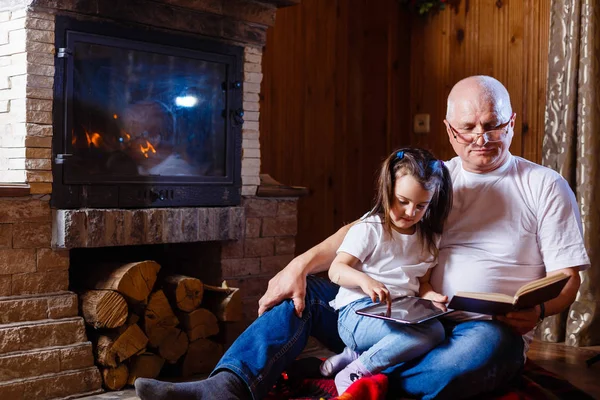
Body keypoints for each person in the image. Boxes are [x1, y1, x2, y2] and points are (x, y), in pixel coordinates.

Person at [135, 75, 590, 400]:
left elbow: (568, 277)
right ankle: (226, 386)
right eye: (468, 128)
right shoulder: (433, 179)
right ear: (451, 131)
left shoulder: (543, 185)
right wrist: (296, 266)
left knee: (490, 351)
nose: (481, 138)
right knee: (308, 293)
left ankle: (361, 388)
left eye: (492, 125)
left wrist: (540, 311)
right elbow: (361, 230)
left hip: (479, 328)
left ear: (512, 121)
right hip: (394, 313)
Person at [323, 148, 453, 394]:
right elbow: (335, 270)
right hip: (358, 313)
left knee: (436, 329)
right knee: (428, 335)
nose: (410, 212)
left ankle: (354, 355)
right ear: (388, 189)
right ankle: (356, 371)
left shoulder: (429, 239)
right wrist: (365, 281)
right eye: (402, 201)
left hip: (399, 314)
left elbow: (422, 282)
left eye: (421, 206)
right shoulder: (371, 228)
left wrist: (430, 296)